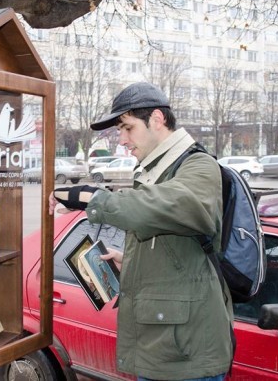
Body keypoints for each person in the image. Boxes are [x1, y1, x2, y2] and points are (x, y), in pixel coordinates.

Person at [49, 82, 233, 381]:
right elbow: (171, 242)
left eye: (127, 128)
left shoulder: (198, 166)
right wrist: (129, 259)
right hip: (164, 346)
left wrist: (90, 197)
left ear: (157, 120)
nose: (121, 140)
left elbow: (164, 207)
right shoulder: (156, 168)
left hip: (186, 357)